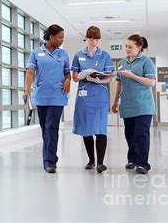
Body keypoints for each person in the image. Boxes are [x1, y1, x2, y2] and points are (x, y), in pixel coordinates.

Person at [23, 24, 71, 173]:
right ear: (51, 37)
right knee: (45, 128)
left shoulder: (63, 54)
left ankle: (49, 162)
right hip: (42, 96)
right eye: (60, 37)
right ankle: (51, 155)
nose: (62, 40)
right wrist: (26, 91)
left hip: (58, 95)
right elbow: (30, 72)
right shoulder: (36, 53)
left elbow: (67, 73)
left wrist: (68, 80)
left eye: (63, 37)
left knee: (52, 127)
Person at [71, 26, 114, 173]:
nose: (94, 42)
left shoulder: (105, 56)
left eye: (96, 39)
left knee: (101, 129)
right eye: (91, 39)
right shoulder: (78, 55)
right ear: (86, 38)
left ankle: (101, 163)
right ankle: (91, 160)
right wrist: (82, 76)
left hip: (100, 97)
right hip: (84, 97)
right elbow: (75, 77)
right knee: (87, 129)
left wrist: (98, 80)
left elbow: (109, 77)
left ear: (99, 40)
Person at [111, 35, 156, 174]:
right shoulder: (123, 62)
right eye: (126, 46)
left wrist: (132, 75)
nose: (127, 49)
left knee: (140, 134)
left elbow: (151, 82)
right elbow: (119, 83)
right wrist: (115, 101)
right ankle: (132, 159)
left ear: (139, 47)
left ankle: (143, 164)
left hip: (143, 105)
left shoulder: (146, 61)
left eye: (130, 46)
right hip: (127, 105)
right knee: (129, 134)